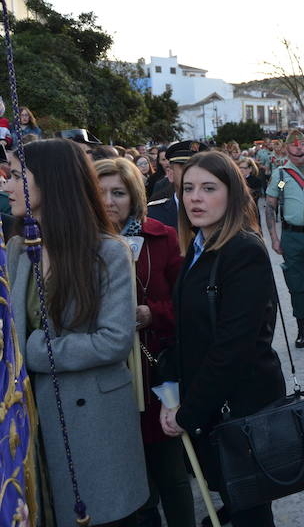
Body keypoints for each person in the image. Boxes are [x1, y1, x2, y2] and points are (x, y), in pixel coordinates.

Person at [3, 138, 148, 525]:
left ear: (51, 183)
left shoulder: (108, 252)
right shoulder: (17, 248)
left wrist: (36, 351)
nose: (6, 184)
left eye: (17, 175)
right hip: (33, 419)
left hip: (94, 422)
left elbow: (115, 340)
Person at [160, 151, 285, 527]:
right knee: (237, 500)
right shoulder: (199, 247)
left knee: (252, 512)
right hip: (215, 408)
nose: (195, 198)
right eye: (188, 188)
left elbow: (233, 348)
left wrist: (188, 411)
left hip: (242, 408)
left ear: (231, 194)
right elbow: (192, 333)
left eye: (208, 188)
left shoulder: (243, 251)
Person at [94, 158, 193, 527]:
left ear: (133, 195)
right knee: (130, 471)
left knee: (170, 463)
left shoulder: (161, 237)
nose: (109, 201)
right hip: (110, 373)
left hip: (156, 367)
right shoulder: (84, 243)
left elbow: (187, 302)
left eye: (118, 192)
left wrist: (153, 313)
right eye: (101, 192)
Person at [264, 129, 304, 347]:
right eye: (295, 147)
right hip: (292, 236)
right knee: (296, 285)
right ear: (287, 149)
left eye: (303, 146)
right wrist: (274, 238)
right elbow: (270, 206)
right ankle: (302, 328)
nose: (300, 150)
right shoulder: (281, 176)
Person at [147, 140, 209, 228]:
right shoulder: (154, 215)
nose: (195, 173)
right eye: (186, 168)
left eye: (201, 168)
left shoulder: (217, 210)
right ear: (170, 174)